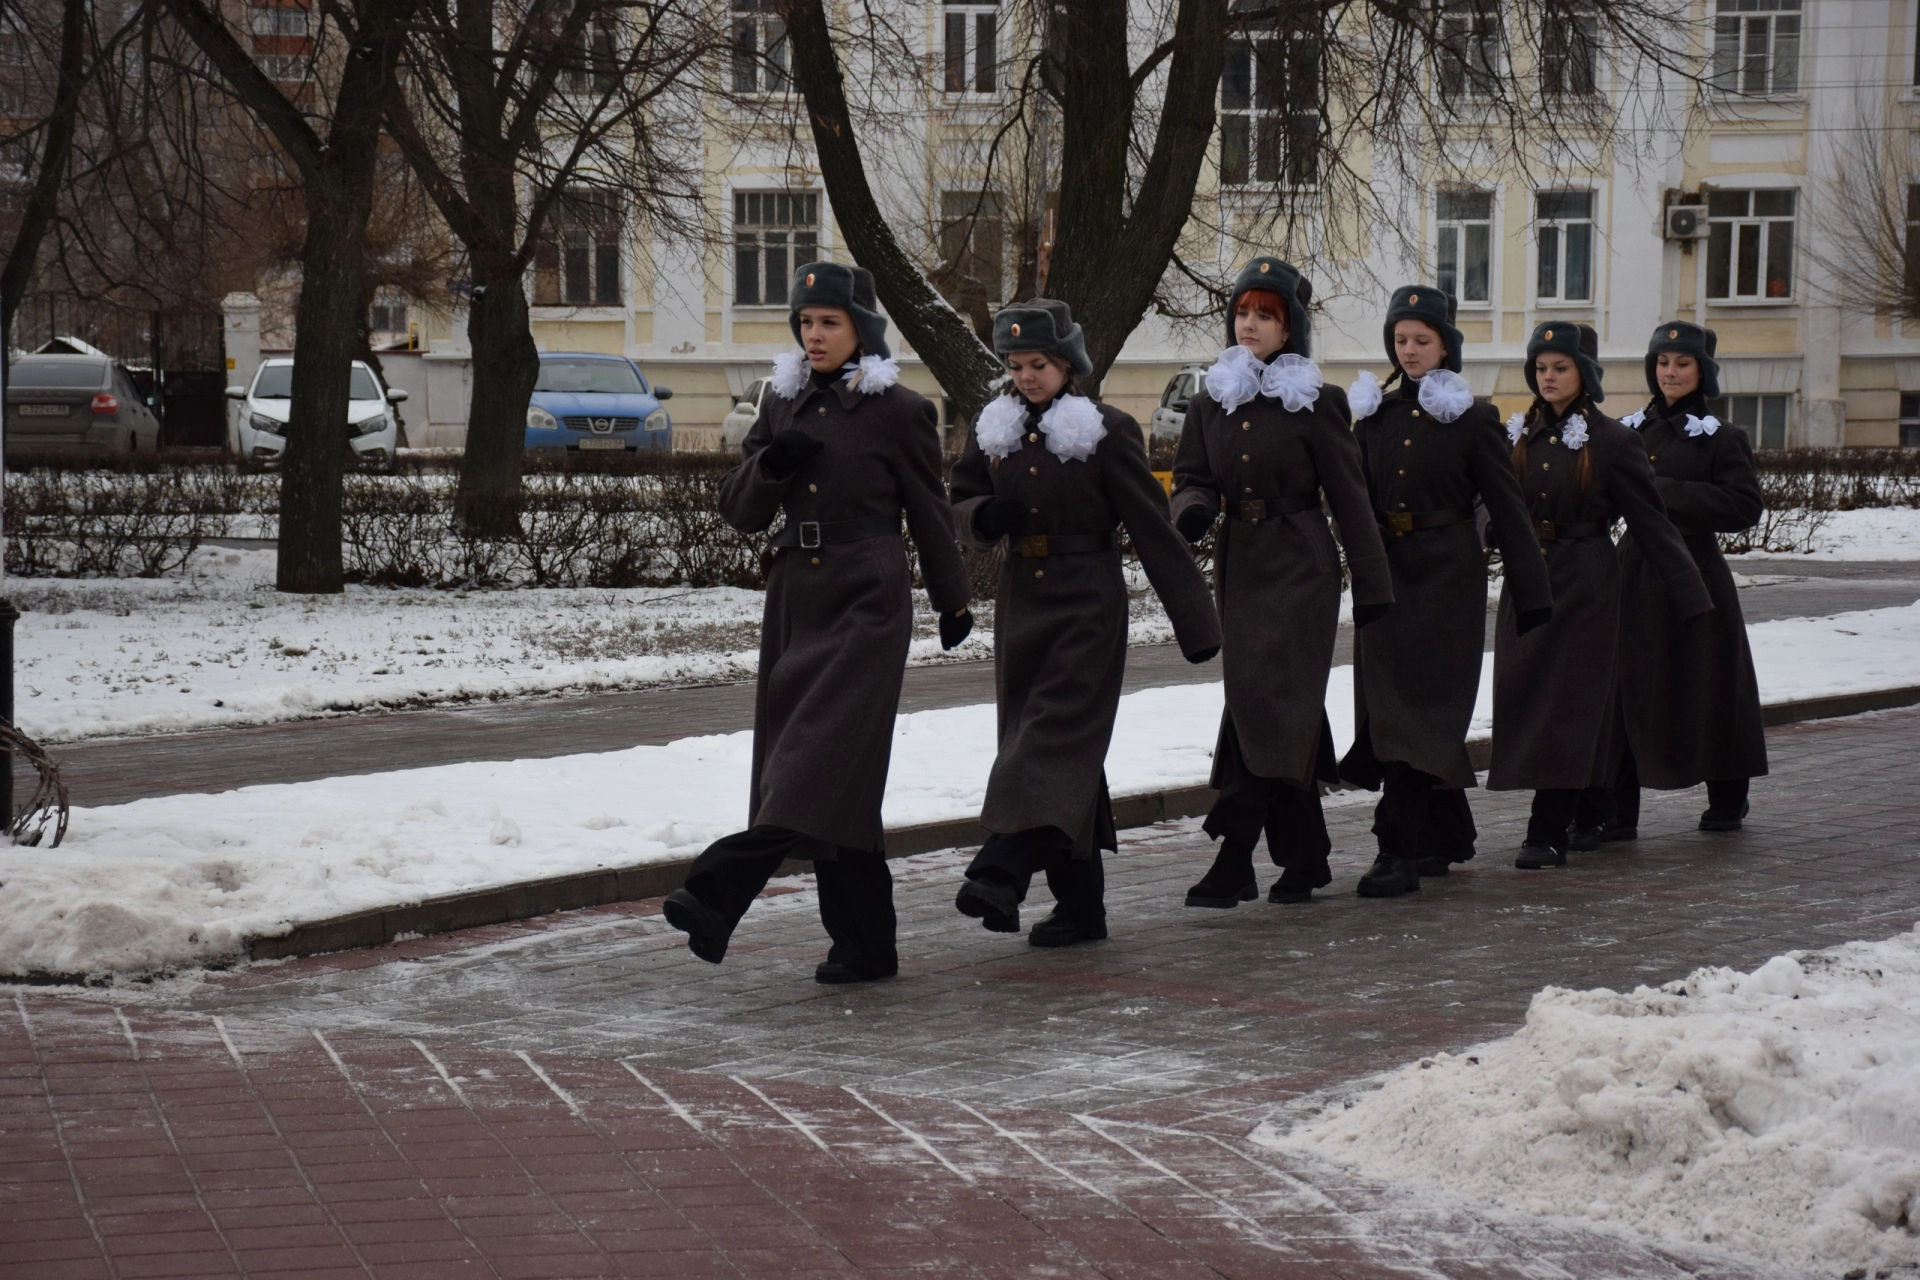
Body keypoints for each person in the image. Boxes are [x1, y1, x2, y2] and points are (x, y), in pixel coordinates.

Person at [663, 262, 975, 983]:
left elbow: (929, 512)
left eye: (829, 322)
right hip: (795, 601)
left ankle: (716, 891)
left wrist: (952, 599)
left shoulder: (901, 410)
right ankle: (866, 944)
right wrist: (773, 461)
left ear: (861, 330)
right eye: (805, 323)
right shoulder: (782, 400)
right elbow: (738, 511)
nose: (814, 336)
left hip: (869, 600)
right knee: (839, 779)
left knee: (813, 763)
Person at [949, 299, 1220, 947]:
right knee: (1060, 753)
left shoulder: (1107, 429)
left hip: (1088, 606)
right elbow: (955, 498)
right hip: (1023, 606)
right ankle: (1081, 905)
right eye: (1014, 365)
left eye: (1037, 363)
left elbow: (1152, 529)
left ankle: (1000, 870)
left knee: (1043, 742)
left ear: (1068, 363)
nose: (1025, 376)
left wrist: (1196, 622)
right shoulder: (994, 427)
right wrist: (984, 518)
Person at [1169, 258, 1391, 906]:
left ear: (1290, 327)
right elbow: (1190, 476)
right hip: (1240, 565)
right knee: (1269, 710)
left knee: (1270, 704)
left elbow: (1349, 498)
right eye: (1243, 312)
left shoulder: (1316, 400)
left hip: (1301, 568)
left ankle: (1234, 856)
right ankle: (1305, 858)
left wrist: (1373, 585)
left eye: (1265, 315)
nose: (1250, 324)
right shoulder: (1212, 397)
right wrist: (1191, 513)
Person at [1337, 287, 1552, 895]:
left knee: (1424, 713)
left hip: (1446, 579)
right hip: (1386, 578)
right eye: (1401, 341)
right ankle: (1445, 835)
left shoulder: (1473, 417)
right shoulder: (1372, 414)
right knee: (1392, 712)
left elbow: (1506, 507)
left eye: (1422, 341)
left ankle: (1396, 850)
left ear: (1446, 346)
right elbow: (1352, 500)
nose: (1409, 352)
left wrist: (1531, 589)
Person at [1488, 322, 1710, 868]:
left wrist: (1691, 596)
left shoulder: (1613, 440)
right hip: (1527, 582)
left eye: (1560, 368)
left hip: (1586, 583)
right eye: (1540, 368)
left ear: (1584, 375)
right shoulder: (1518, 434)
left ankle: (1547, 829)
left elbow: (1651, 523)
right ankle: (1593, 806)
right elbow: (1490, 504)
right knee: (1529, 700)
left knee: (1569, 705)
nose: (1548, 377)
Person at [1577, 321, 1765, 843]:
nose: (1671, 373)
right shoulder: (1628, 431)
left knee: (1709, 685)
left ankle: (1728, 793)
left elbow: (1744, 506)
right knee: (1623, 688)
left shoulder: (1723, 437)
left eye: (1682, 363)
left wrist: (1663, 494)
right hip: (1633, 573)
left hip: (1697, 575)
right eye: (1663, 362)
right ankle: (1618, 807)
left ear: (1702, 371)